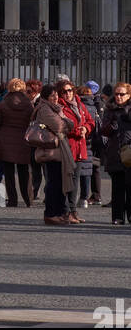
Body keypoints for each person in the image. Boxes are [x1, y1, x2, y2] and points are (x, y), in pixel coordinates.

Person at [29, 83, 76, 225]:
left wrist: (65, 121)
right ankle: (51, 213)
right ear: (46, 96)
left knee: (59, 181)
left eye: (56, 94)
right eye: (52, 95)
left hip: (58, 150)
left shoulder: (55, 108)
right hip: (50, 151)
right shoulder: (44, 108)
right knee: (54, 183)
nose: (55, 97)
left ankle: (60, 212)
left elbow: (71, 123)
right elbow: (59, 126)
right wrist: (64, 121)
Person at [0, 77, 33, 206]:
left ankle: (13, 200)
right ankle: (28, 199)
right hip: (23, 141)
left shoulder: (4, 103)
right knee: (24, 171)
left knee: (8, 173)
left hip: (6, 141)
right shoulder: (28, 104)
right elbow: (32, 120)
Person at [56, 79, 94, 222]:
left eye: (70, 90)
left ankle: (73, 211)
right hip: (67, 147)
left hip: (80, 147)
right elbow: (63, 126)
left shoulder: (79, 104)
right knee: (66, 180)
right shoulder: (59, 106)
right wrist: (79, 131)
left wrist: (86, 128)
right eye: (64, 91)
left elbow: (90, 121)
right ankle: (65, 211)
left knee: (75, 180)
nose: (68, 94)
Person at [100, 82, 131, 225]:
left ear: (129, 95)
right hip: (115, 151)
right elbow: (103, 130)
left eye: (122, 94)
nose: (118, 97)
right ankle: (117, 216)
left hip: (129, 151)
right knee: (117, 187)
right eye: (116, 94)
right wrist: (113, 124)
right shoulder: (110, 109)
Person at [78, 81, 104, 206]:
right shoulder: (97, 104)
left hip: (85, 140)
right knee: (94, 168)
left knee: (82, 169)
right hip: (96, 140)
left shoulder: (80, 105)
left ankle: (86, 196)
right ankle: (95, 195)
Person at [24, 79, 44, 198]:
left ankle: (41, 191)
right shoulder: (30, 101)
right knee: (35, 167)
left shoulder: (39, 102)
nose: (26, 94)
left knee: (43, 167)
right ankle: (35, 191)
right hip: (33, 139)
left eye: (28, 91)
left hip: (41, 139)